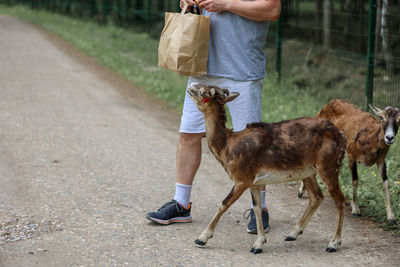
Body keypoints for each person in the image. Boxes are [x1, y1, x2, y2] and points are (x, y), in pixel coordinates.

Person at [146, 0, 281, 234]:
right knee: (188, 134)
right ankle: (181, 204)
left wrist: (227, 4)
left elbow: (272, 10)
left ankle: (259, 208)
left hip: (242, 70)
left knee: (252, 145)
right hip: (202, 65)